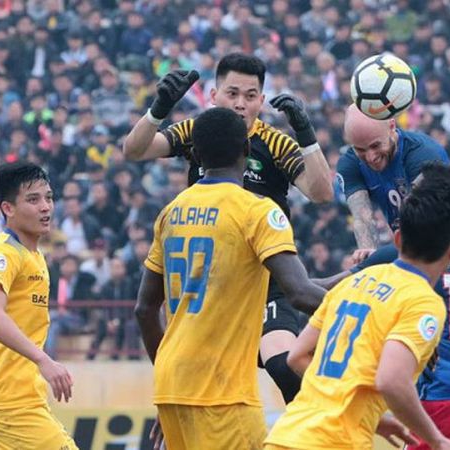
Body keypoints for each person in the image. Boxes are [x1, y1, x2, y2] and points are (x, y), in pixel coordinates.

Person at [123, 53, 334, 403]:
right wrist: (157, 109)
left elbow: (321, 192)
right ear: (214, 95)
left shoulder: (276, 142)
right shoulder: (202, 130)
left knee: (286, 368)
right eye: (232, 93)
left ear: (262, 101)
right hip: (212, 281)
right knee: (196, 384)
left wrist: (306, 134)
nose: (240, 104)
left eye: (250, 96)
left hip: (266, 277)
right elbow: (135, 151)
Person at [134, 107, 326, 450]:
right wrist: (372, 314)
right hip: (222, 394)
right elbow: (299, 293)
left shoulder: (172, 211)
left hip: (170, 387)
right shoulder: (257, 211)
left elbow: (144, 310)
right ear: (247, 150)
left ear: (194, 155)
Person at [314, 163, 450, 448]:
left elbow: (323, 289)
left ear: (433, 200)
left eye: (414, 190)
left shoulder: (408, 251)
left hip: (447, 394)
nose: (406, 196)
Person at [264, 161, 450, 450]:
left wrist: (373, 418)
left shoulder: (357, 281)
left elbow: (297, 357)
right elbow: (391, 380)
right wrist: (437, 441)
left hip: (285, 436)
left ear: (397, 239)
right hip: (335, 443)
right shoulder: (423, 302)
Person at [0, 162, 76, 449]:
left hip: (27, 398)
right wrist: (44, 360)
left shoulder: (36, 256)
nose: (46, 207)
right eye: (33, 199)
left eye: (49, 197)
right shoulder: (4, 254)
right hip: (7, 403)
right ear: (8, 208)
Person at [338, 105, 450, 263]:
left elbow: (428, 225)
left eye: (375, 145)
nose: (371, 157)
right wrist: (368, 255)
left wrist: (380, 257)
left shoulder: (422, 153)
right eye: (360, 150)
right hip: (416, 251)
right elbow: (362, 216)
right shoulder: (349, 164)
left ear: (392, 127)